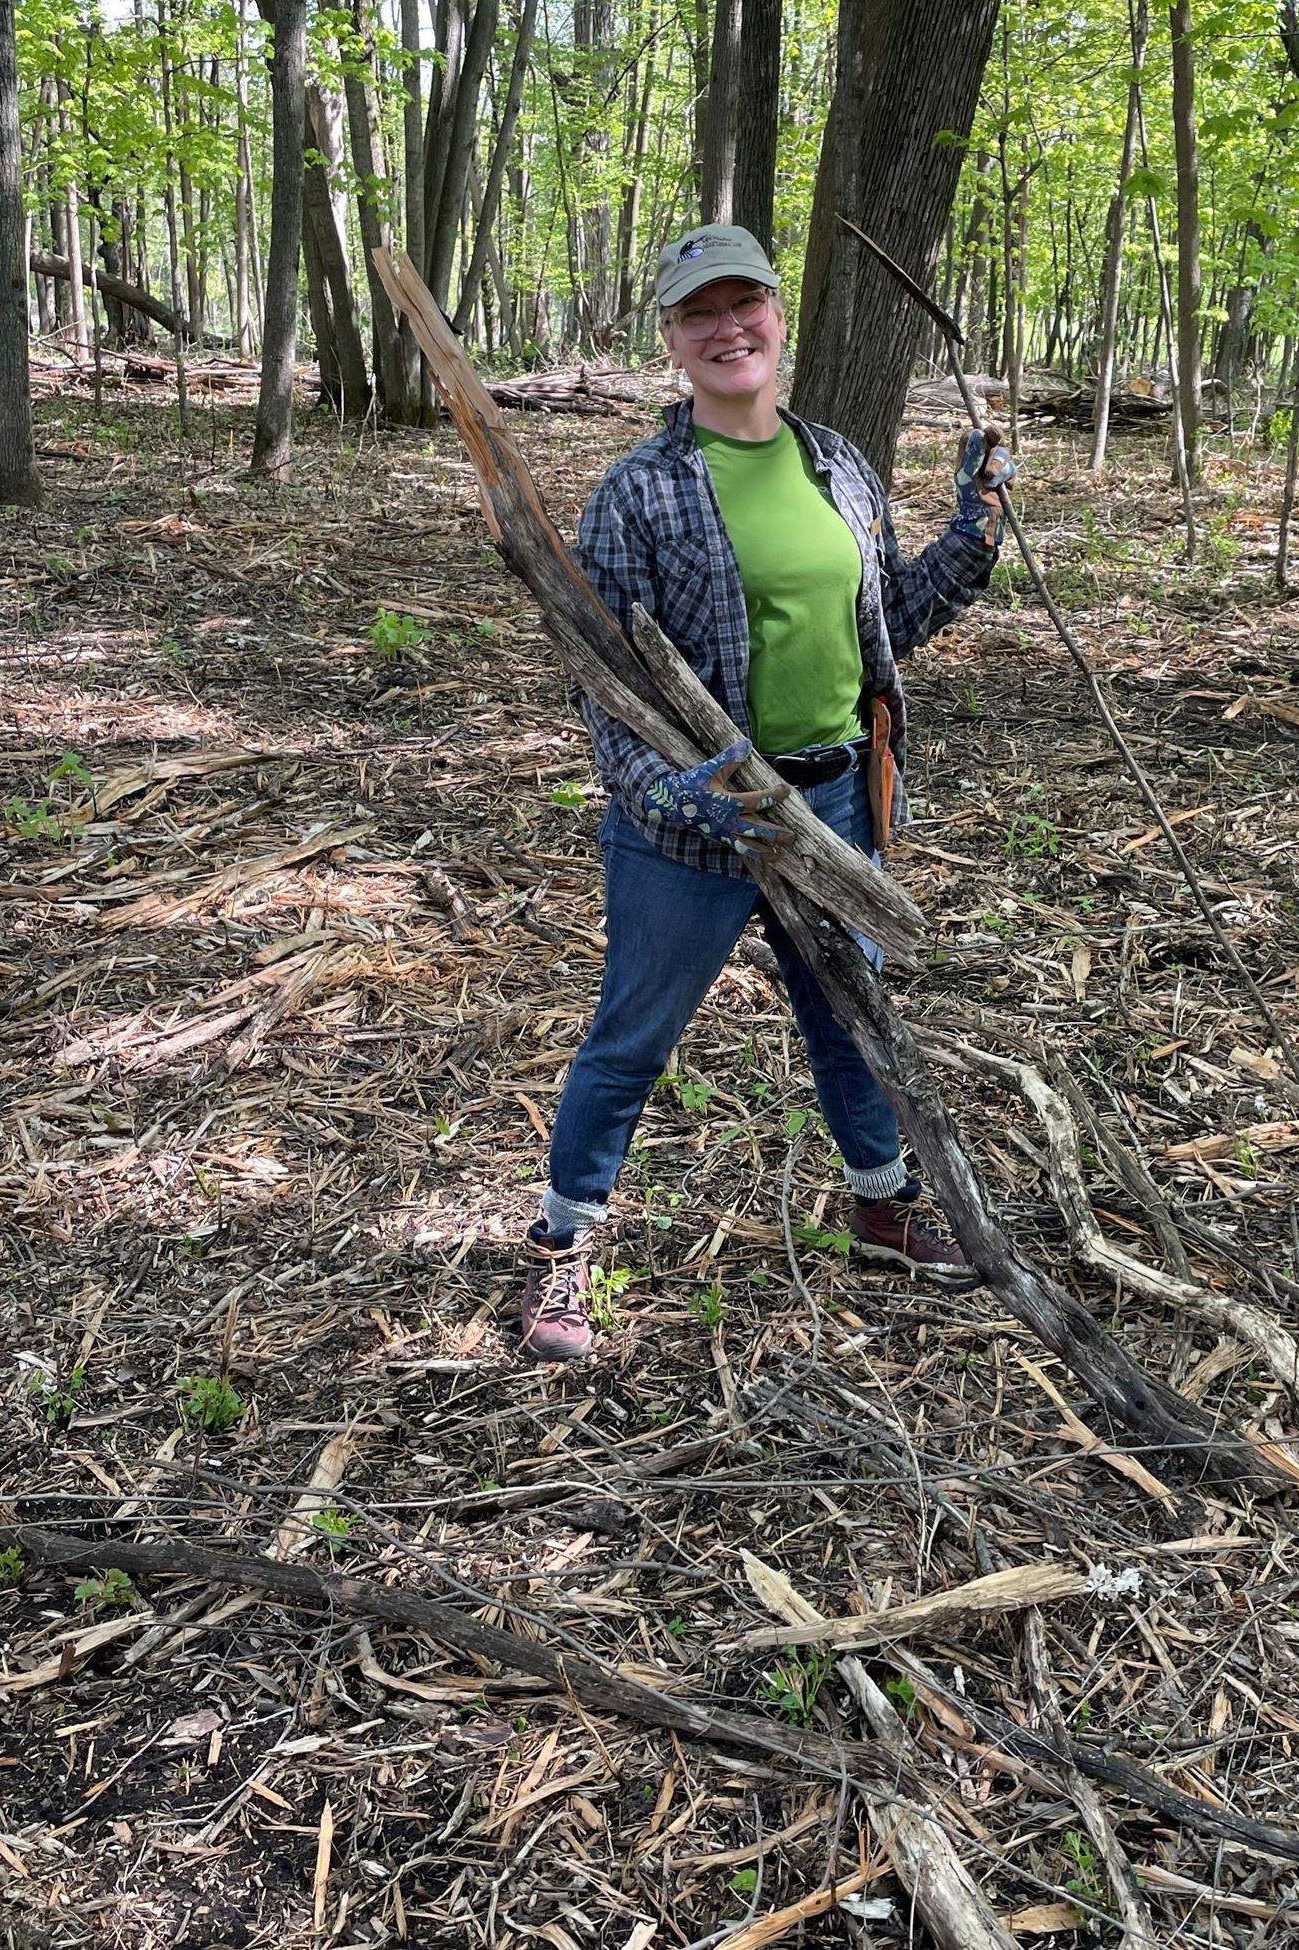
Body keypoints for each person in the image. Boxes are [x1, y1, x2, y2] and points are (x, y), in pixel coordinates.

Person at [517, 221, 1016, 1361]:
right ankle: (561, 1249)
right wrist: (670, 795)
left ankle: (880, 1211)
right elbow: (603, 686)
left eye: (743, 304)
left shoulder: (836, 463)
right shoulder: (635, 494)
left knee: (852, 1018)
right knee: (632, 1037)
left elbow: (893, 617)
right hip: (695, 819)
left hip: (833, 800)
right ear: (670, 339)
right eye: (700, 313)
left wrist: (975, 523)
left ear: (776, 316)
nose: (726, 328)